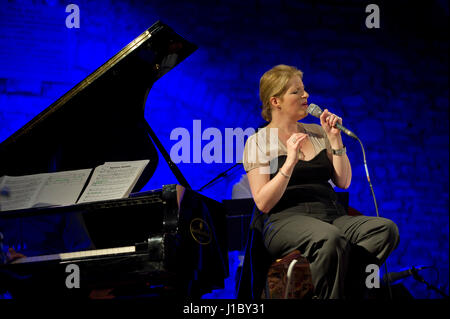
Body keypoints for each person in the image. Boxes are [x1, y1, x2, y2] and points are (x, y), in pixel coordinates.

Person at [242, 64, 399, 299]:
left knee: (385, 230)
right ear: (276, 102)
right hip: (285, 220)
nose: (306, 95)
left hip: (330, 215)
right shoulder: (257, 141)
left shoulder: (317, 132)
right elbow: (263, 203)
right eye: (296, 92)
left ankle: (343, 289)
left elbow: (344, 182)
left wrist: (335, 140)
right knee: (329, 238)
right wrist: (290, 162)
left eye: (304, 90)